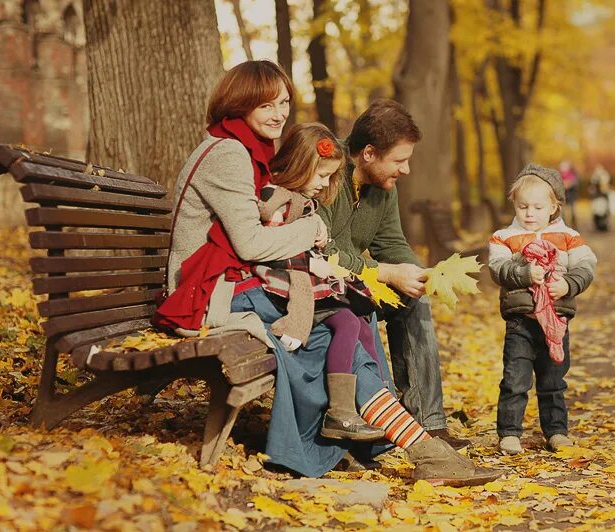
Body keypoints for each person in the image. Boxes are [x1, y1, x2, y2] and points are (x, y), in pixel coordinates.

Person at [154, 60, 500, 485]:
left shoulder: (244, 150)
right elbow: (252, 243)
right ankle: (420, 448)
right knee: (330, 329)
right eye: (267, 104)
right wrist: (311, 230)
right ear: (239, 103)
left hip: (233, 283)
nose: (280, 113)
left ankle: (419, 444)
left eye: (284, 102)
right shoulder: (228, 154)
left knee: (342, 323)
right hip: (208, 293)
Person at [318, 99, 469, 450]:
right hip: (325, 288)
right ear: (369, 153)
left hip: (358, 283)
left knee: (414, 300)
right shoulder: (326, 173)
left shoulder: (383, 188)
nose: (406, 170)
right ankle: (378, 413)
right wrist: (386, 272)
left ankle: (428, 423)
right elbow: (323, 253)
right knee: (374, 300)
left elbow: (392, 243)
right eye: (400, 161)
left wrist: (418, 273)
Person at [252, 121, 385, 442]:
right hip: (286, 287)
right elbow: (276, 249)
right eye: (322, 175)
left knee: (362, 322)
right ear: (299, 166)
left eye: (329, 176)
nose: (324, 183)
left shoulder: (301, 202)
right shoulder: (276, 201)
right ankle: (341, 412)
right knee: (349, 324)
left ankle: (374, 399)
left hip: (306, 281)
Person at [487, 164, 597, 455]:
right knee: (515, 379)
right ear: (514, 204)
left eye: (537, 207)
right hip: (521, 322)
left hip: (556, 321)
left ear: (554, 206)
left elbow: (587, 266)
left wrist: (569, 285)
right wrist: (524, 274)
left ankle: (556, 431)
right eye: (523, 206)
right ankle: (510, 433)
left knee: (553, 380)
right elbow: (498, 268)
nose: (529, 213)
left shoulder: (568, 237)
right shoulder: (504, 237)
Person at [558, 160, 579, 228]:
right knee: (562, 212)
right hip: (563, 196)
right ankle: (564, 225)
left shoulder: (572, 174)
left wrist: (569, 184)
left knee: (573, 211)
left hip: (571, 195)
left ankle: (574, 225)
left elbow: (574, 183)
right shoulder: (559, 175)